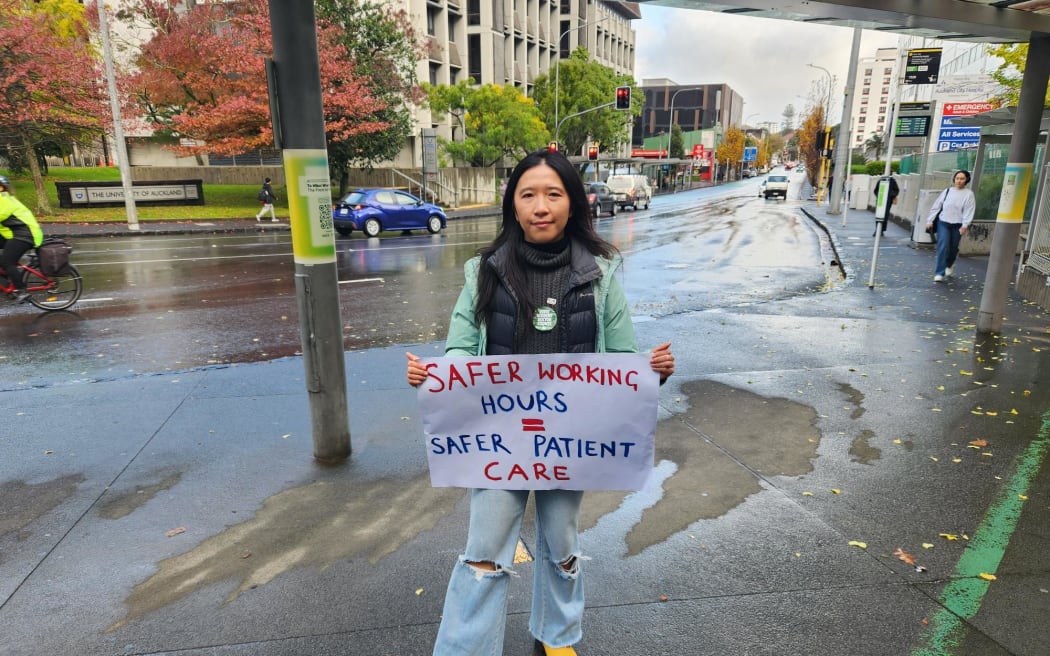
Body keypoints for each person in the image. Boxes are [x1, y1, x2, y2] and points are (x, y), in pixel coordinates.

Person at [406, 148, 675, 656]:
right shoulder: (483, 271)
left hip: (570, 443)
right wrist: (432, 375)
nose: (541, 206)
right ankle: (466, 649)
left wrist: (650, 373)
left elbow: (620, 362)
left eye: (553, 194)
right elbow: (460, 353)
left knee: (562, 546)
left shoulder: (602, 275)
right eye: (528, 194)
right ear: (514, 205)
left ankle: (557, 637)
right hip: (500, 442)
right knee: (483, 553)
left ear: (573, 203)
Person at [924, 170, 975, 282]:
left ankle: (949, 265)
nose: (959, 181)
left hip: (958, 225)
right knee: (943, 246)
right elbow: (937, 206)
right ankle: (939, 272)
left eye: (962, 178)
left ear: (966, 180)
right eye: (957, 178)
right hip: (943, 222)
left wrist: (965, 224)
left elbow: (969, 210)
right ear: (954, 179)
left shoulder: (969, 194)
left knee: (953, 248)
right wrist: (930, 220)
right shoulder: (947, 191)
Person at [0, 175, 43, 303]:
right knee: (4, 261)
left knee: (8, 262)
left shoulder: (4, 199)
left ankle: (21, 290)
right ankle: (7, 280)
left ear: (1, 188)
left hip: (25, 235)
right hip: (14, 234)